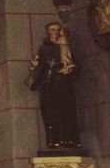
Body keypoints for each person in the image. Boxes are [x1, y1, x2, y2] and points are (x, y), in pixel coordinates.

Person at [26, 22, 81, 150]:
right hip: (48, 83)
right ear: (48, 32)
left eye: (57, 29)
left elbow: (73, 63)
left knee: (66, 111)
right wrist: (35, 67)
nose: (55, 32)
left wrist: (70, 69)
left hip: (63, 83)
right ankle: (54, 140)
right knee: (50, 113)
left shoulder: (65, 46)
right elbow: (38, 65)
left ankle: (69, 140)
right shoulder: (44, 48)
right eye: (52, 29)